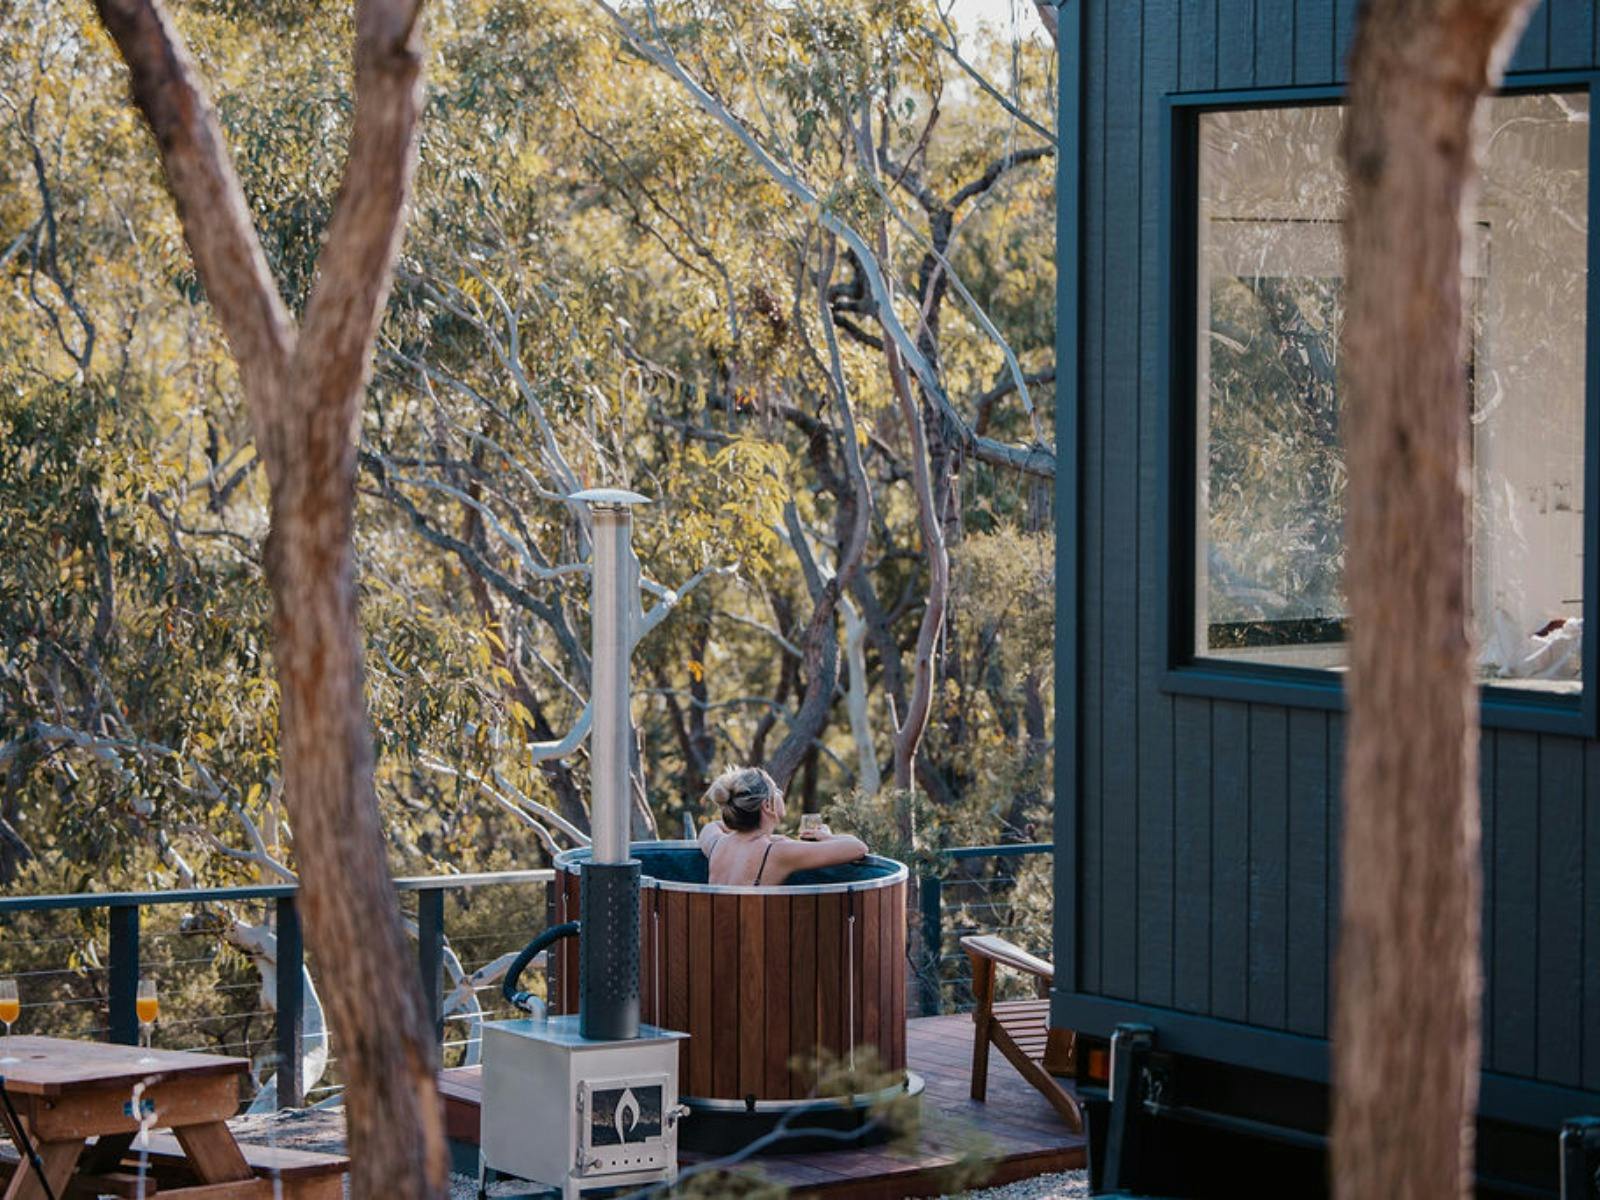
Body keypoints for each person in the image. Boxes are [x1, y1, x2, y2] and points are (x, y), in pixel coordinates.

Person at [697, 766, 868, 886]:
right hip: (754, 937)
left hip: (715, 935)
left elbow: (711, 827)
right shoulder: (776, 852)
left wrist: (762, 834)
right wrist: (828, 837)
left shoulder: (717, 844)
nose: (781, 794)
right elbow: (858, 847)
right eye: (776, 791)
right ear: (767, 805)